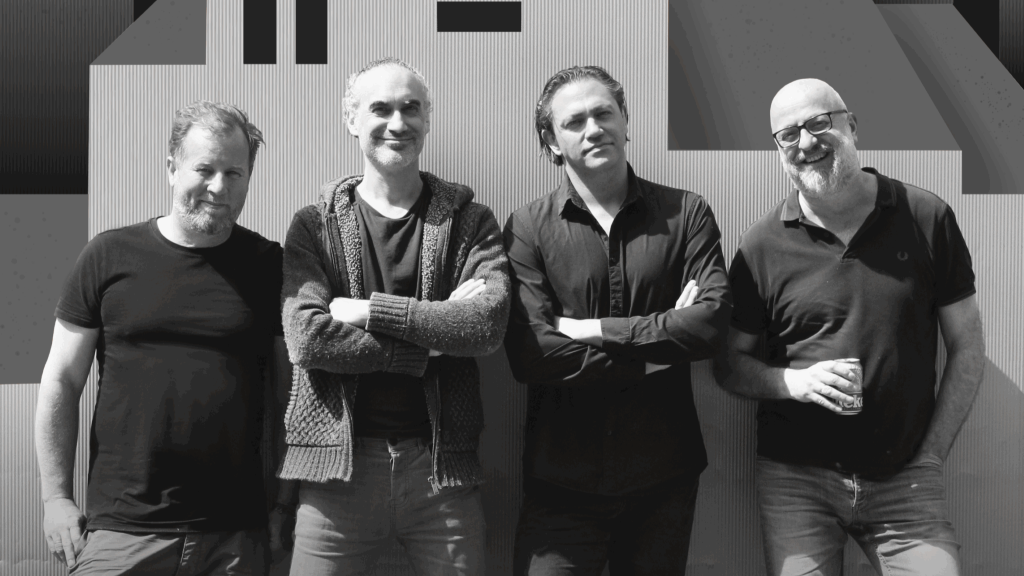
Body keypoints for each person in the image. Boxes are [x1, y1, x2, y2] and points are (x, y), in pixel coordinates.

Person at [714, 78, 985, 576]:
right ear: (777, 149)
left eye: (819, 123)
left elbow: (967, 344)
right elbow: (729, 364)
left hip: (905, 478)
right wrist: (792, 382)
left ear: (852, 126)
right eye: (788, 134)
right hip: (796, 482)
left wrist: (931, 455)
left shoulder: (925, 217)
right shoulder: (760, 247)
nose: (806, 142)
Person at [35, 101, 291, 574]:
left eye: (234, 173)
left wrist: (284, 503)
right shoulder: (109, 256)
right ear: (171, 167)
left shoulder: (270, 266)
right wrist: (55, 499)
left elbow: (288, 397)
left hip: (235, 535)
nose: (219, 187)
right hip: (122, 531)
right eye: (204, 169)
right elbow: (61, 381)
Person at [277, 57, 510, 575]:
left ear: (428, 118)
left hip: (440, 472)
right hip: (336, 475)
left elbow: (484, 326)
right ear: (351, 118)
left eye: (411, 108)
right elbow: (308, 338)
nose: (397, 123)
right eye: (380, 109)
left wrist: (367, 310)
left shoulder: (469, 221)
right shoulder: (314, 226)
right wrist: (429, 340)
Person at [503, 65, 732, 575]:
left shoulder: (686, 214)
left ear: (625, 121)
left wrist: (591, 330)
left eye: (604, 113)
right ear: (551, 141)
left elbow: (712, 324)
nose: (594, 129)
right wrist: (657, 350)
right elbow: (532, 354)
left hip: (663, 479)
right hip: (560, 485)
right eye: (574, 121)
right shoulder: (527, 228)